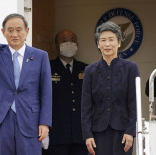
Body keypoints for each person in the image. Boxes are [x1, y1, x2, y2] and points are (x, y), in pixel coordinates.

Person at [0, 4, 52, 155]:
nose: (14, 34)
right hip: (2, 117)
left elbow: (46, 91)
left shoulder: (40, 56)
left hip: (30, 118)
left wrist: (45, 122)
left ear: (26, 31)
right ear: (3, 32)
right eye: (10, 30)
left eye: (19, 30)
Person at [81, 21, 140, 155]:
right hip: (97, 133)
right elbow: (86, 106)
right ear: (98, 44)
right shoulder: (90, 70)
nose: (107, 44)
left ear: (119, 42)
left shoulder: (131, 68)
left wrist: (131, 131)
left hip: (123, 132)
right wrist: (87, 134)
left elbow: (134, 102)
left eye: (111, 40)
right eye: (103, 40)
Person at [46, 30, 88, 155]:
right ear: (55, 46)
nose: (69, 43)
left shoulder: (86, 69)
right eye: (64, 40)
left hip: (81, 134)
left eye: (72, 40)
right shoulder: (47, 67)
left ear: (77, 44)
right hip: (57, 134)